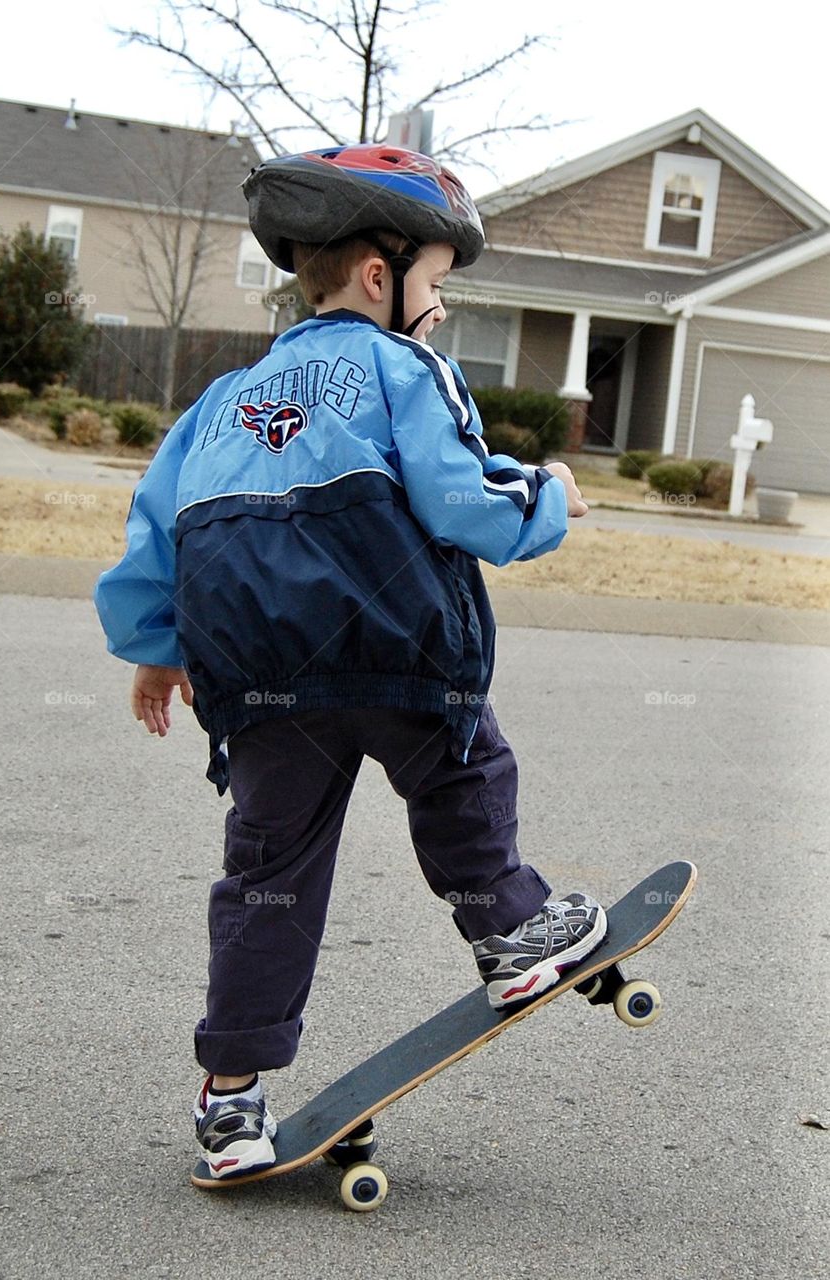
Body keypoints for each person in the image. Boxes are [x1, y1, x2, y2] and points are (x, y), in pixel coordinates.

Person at [94, 143, 607, 1181]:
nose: (441, 309)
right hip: (393, 649)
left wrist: (156, 650)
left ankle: (230, 1099)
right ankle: (512, 932)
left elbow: (154, 532)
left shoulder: (222, 397)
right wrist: (549, 494)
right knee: (463, 781)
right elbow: (463, 498)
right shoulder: (401, 365)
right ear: (381, 275)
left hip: (260, 678)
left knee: (267, 879)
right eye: (437, 283)